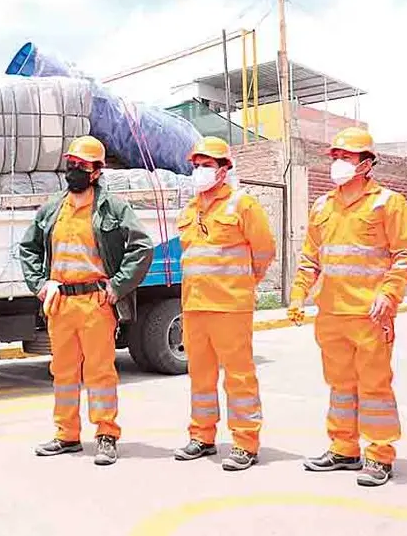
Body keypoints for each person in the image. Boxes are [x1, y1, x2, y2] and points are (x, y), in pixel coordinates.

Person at [288, 127, 407, 487]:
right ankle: (344, 448)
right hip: (332, 314)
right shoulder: (322, 206)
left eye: (346, 158)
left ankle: (379, 455)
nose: (338, 164)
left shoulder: (387, 203)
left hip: (371, 316)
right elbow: (310, 259)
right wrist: (299, 293)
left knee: (375, 386)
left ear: (366, 164)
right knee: (340, 386)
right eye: (336, 157)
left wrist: (389, 294)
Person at [18, 136, 154, 466]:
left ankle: (106, 434)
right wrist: (39, 284)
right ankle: (66, 435)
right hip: (60, 304)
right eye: (71, 164)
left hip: (95, 303)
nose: (73, 170)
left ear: (96, 171)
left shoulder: (113, 207)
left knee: (99, 372)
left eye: (81, 166)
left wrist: (118, 286)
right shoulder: (53, 208)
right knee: (63, 372)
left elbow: (142, 246)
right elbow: (28, 248)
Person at [172, 137, 276, 471]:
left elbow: (264, 251)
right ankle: (202, 437)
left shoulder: (242, 205)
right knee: (199, 376)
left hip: (230, 306)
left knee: (238, 376)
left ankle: (246, 442)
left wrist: (245, 282)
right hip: (195, 306)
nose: (200, 171)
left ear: (223, 170)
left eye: (207, 165)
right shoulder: (189, 210)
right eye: (196, 165)